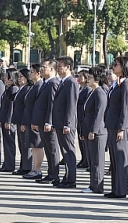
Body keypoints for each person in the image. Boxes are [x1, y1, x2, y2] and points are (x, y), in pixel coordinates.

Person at [105, 56, 128, 198]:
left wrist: (122, 128)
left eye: (116, 64)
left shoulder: (126, 83)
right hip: (111, 124)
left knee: (120, 158)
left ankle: (121, 190)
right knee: (114, 158)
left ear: (123, 66)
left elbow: (125, 107)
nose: (113, 67)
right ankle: (115, 188)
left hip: (119, 126)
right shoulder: (116, 83)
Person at [52, 57, 80, 188]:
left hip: (66, 123)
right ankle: (66, 177)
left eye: (60, 66)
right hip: (59, 122)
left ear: (68, 67)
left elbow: (71, 105)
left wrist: (68, 123)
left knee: (69, 151)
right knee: (64, 151)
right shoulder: (63, 82)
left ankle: (71, 179)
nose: (58, 68)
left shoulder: (71, 82)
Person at [33, 59, 61, 185]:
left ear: (51, 69)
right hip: (42, 121)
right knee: (48, 149)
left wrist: (49, 122)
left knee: (52, 149)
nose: (42, 69)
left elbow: (52, 104)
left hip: (48, 123)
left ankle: (54, 175)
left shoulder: (53, 83)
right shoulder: (46, 83)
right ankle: (50, 173)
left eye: (44, 67)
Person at [82, 66, 108, 194]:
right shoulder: (92, 92)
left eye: (90, 77)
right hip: (89, 130)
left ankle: (97, 186)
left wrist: (94, 130)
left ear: (97, 79)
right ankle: (92, 184)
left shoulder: (100, 93)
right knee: (92, 159)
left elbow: (99, 113)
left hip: (98, 132)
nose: (88, 79)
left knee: (97, 160)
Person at [22, 65, 45, 180]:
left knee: (37, 145)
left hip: (35, 119)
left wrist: (36, 120)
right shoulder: (34, 86)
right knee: (34, 145)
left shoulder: (40, 85)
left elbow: (39, 105)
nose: (30, 74)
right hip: (30, 119)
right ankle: (34, 168)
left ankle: (37, 169)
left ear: (37, 73)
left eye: (32, 72)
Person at [11, 68, 33, 175]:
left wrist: (24, 122)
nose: (19, 79)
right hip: (19, 119)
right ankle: (22, 166)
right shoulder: (21, 88)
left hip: (24, 120)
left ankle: (27, 167)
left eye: (21, 77)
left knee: (25, 144)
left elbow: (27, 107)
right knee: (21, 144)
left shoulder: (28, 89)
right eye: (18, 77)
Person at [0, 68, 19, 173]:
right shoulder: (8, 88)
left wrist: (9, 121)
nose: (5, 78)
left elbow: (11, 106)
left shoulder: (14, 89)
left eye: (7, 76)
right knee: (6, 142)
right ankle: (6, 163)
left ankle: (10, 164)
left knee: (9, 143)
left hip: (9, 119)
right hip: (4, 118)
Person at [75, 70, 91, 170]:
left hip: (83, 117)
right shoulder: (80, 88)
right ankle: (83, 158)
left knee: (84, 140)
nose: (79, 78)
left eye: (81, 76)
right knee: (80, 140)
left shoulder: (88, 89)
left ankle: (86, 159)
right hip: (79, 117)